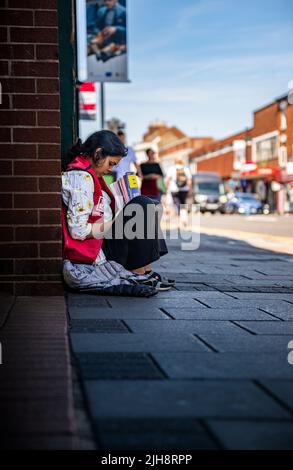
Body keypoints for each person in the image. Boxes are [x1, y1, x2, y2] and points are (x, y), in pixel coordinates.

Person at [62, 130, 174, 295]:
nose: (111, 169)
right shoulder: (81, 177)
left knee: (151, 204)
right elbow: (78, 230)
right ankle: (138, 273)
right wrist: (117, 224)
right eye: (111, 163)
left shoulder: (90, 174)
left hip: (103, 243)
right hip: (95, 251)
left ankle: (145, 270)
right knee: (142, 205)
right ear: (98, 153)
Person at [166, 157, 192, 224]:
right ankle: (184, 218)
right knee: (183, 204)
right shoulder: (186, 169)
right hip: (184, 189)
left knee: (176, 204)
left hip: (174, 189)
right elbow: (189, 181)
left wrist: (167, 188)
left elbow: (167, 180)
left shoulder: (171, 168)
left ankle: (179, 219)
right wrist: (190, 190)